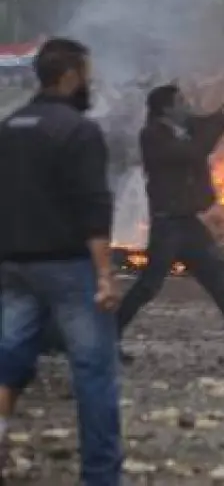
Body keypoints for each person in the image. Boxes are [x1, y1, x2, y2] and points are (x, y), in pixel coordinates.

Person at [0, 39, 122, 484]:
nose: (89, 82)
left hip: (13, 266)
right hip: (68, 267)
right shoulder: (78, 130)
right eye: (86, 74)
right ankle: (100, 476)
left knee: (7, 363)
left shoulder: (9, 126)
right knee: (93, 372)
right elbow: (94, 206)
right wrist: (105, 274)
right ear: (70, 76)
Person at [116, 83, 224, 364]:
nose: (187, 104)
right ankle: (108, 338)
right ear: (167, 109)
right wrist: (217, 124)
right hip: (167, 225)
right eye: (181, 101)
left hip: (189, 223)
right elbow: (193, 152)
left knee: (221, 279)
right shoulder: (153, 136)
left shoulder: (189, 127)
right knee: (148, 286)